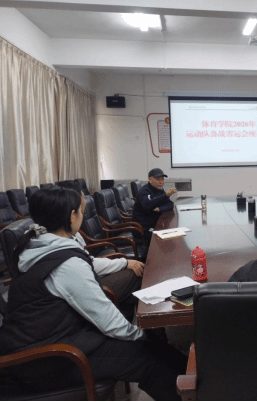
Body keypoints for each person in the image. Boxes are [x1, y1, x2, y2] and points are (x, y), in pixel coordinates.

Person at [0, 186, 187, 400]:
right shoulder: (67, 265)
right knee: (149, 360)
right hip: (47, 359)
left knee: (154, 350)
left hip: (54, 339)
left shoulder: (37, 243)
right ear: (72, 216)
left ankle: (189, 379)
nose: (83, 215)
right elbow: (108, 321)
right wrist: (142, 336)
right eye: (81, 211)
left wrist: (145, 336)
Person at [56, 180, 144, 321]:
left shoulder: (68, 232)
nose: (85, 203)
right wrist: (124, 263)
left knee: (131, 275)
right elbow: (88, 264)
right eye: (82, 199)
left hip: (85, 279)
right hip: (82, 289)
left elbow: (87, 261)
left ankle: (121, 319)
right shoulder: (63, 238)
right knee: (137, 273)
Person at [132, 168, 177, 245]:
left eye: (162, 179)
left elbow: (170, 204)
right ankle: (147, 253)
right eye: (158, 179)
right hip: (143, 227)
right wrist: (165, 195)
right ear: (150, 179)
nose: (161, 182)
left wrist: (160, 209)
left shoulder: (159, 190)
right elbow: (147, 205)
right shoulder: (144, 191)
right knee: (162, 240)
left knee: (173, 236)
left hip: (156, 223)